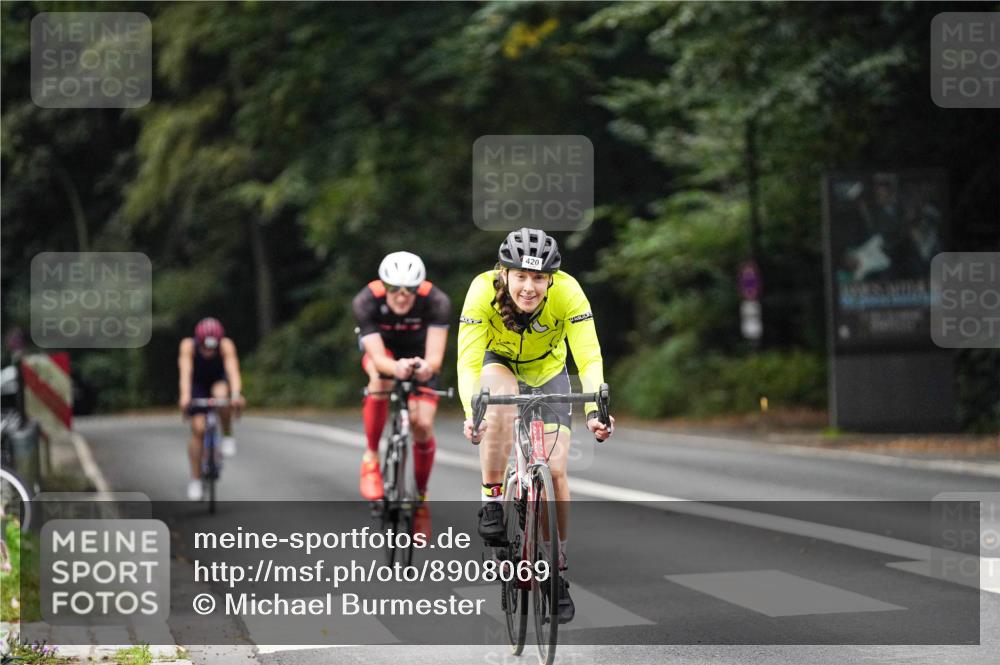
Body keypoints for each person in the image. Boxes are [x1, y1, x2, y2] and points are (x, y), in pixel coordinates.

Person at [457, 228, 615, 624]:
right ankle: (492, 498)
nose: (529, 287)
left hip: (549, 373)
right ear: (504, 273)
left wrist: (597, 408)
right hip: (500, 364)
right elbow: (468, 362)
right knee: (500, 407)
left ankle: (557, 569)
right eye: (521, 277)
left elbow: (589, 356)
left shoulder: (568, 292)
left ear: (551, 279)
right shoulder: (481, 291)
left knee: (557, 470)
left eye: (539, 278)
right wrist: (470, 412)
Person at [353, 251, 451, 537]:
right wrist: (394, 367)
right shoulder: (366, 301)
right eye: (394, 289)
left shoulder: (437, 301)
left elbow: (434, 358)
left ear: (420, 287)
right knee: (380, 379)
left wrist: (423, 368)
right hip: (385, 357)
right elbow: (377, 357)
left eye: (409, 290)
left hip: (420, 359)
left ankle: (420, 498)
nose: (401, 296)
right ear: (384, 286)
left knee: (422, 426)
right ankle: (371, 457)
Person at [178, 317, 245, 501]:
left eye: (212, 348)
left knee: (222, 397)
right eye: (204, 347)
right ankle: (195, 479)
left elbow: (232, 370)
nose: (208, 352)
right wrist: (185, 397)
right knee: (198, 428)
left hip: (217, 380)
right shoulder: (188, 346)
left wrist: (237, 394)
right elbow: (185, 372)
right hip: (197, 384)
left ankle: (227, 434)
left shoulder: (225, 345)